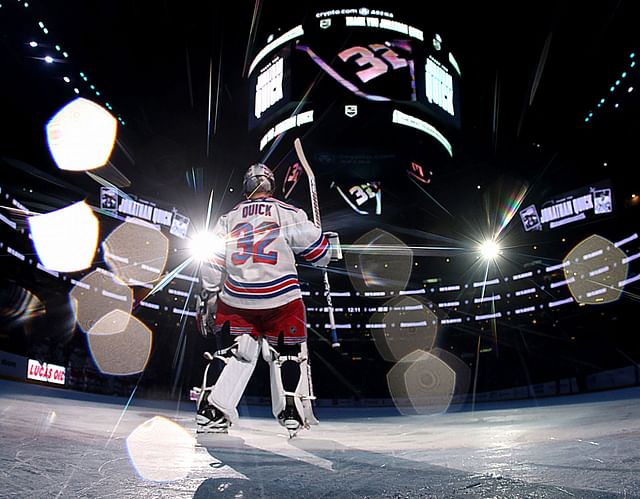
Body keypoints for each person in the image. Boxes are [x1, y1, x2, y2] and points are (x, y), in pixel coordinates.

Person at [195, 163, 337, 437]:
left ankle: (211, 409)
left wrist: (210, 294)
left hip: (237, 299)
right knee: (287, 355)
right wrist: (328, 245)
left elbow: (212, 262)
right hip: (281, 298)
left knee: (234, 355)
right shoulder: (287, 212)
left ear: (246, 187)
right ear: (272, 184)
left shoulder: (228, 218)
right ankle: (292, 410)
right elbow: (319, 253)